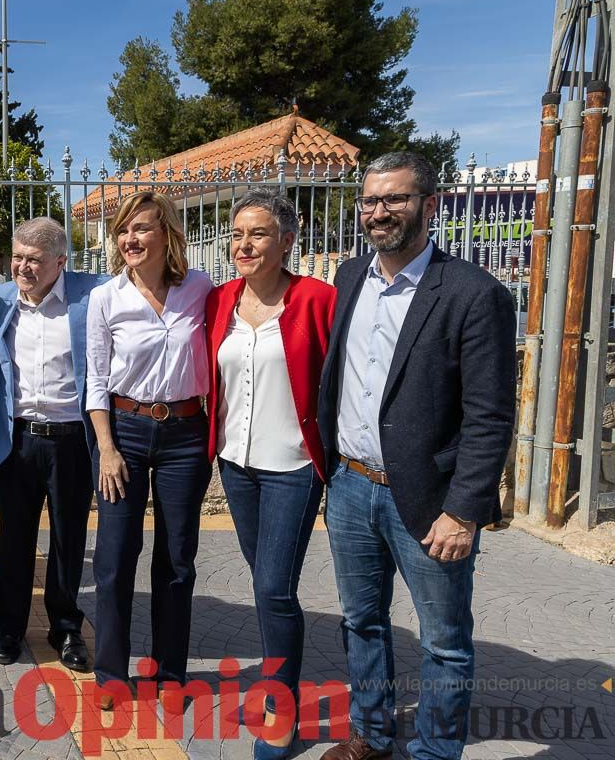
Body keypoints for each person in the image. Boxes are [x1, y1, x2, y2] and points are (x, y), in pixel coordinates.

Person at [316, 152, 516, 760]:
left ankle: (434, 752)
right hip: (351, 486)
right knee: (361, 622)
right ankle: (372, 736)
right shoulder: (350, 278)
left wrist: (465, 511)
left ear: (429, 205)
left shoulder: (473, 294)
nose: (380, 213)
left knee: (445, 642)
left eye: (395, 199)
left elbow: (490, 416)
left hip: (432, 500)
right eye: (371, 201)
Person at [206, 189, 335, 759]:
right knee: (267, 587)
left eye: (258, 234)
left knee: (273, 589)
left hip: (293, 466)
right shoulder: (219, 302)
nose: (244, 244)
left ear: (287, 239)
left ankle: (281, 708)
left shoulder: (319, 300)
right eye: (237, 234)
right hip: (236, 465)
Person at [86, 190, 213, 710]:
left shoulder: (201, 289)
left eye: (140, 228)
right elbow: (94, 381)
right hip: (125, 432)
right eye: (123, 231)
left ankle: (170, 672)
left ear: (167, 234)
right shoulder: (106, 298)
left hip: (187, 434)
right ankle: (111, 673)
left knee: (177, 559)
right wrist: (107, 449)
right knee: (115, 557)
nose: (130, 239)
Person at [0, 217, 103, 671]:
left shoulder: (89, 297)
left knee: (69, 538)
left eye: (34, 260)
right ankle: (10, 627)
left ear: (61, 262)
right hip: (17, 440)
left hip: (72, 439)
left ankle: (66, 627)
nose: (22, 267)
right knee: (13, 537)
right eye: (17, 257)